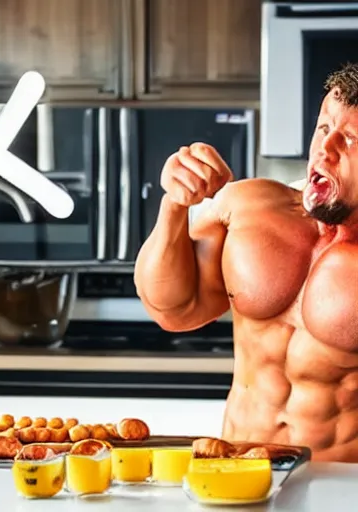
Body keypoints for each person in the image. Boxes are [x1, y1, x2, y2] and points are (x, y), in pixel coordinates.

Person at [134, 63, 358, 463]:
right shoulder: (250, 206)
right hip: (236, 472)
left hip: (342, 485)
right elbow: (172, 310)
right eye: (324, 129)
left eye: (351, 139)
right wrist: (175, 207)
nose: (325, 150)